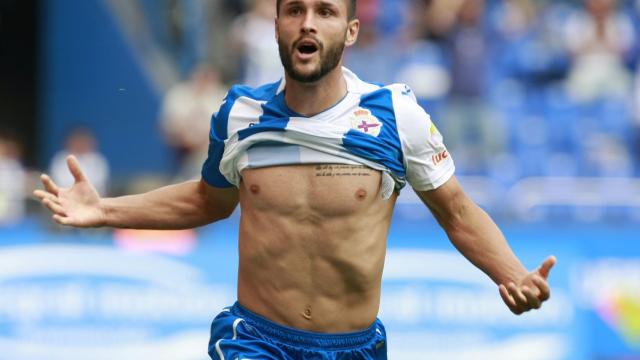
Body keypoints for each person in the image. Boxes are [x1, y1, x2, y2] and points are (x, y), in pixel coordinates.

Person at [34, 0, 555, 359]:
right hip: (254, 340)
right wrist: (105, 211)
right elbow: (207, 201)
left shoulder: (396, 116)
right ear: (278, 26)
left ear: (350, 30)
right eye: (294, 11)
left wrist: (512, 273)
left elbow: (457, 212)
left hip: (353, 347)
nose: (308, 23)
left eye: (325, 11)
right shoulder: (240, 115)